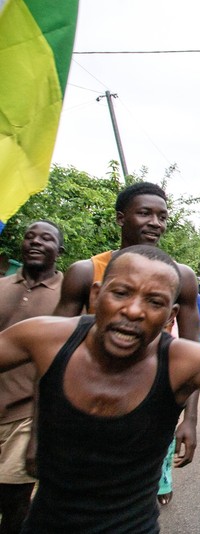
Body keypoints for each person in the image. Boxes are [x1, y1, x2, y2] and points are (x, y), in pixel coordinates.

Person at [0, 246, 200, 533]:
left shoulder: (181, 362)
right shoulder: (46, 339)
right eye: (120, 293)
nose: (133, 310)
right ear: (96, 294)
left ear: (171, 315)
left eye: (155, 302)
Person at [53, 182, 200, 505]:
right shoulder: (85, 272)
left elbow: (194, 357)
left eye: (162, 216)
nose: (155, 223)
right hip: (86, 400)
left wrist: (189, 418)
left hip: (149, 405)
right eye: (145, 213)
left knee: (132, 499)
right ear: (121, 218)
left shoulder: (181, 278)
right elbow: (53, 352)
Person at [0, 221, 64, 534]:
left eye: (46, 238)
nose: (36, 242)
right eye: (30, 236)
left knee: (14, 501)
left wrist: (40, 437)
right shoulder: (1, 287)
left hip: (27, 414)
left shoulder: (68, 296)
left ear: (59, 250)